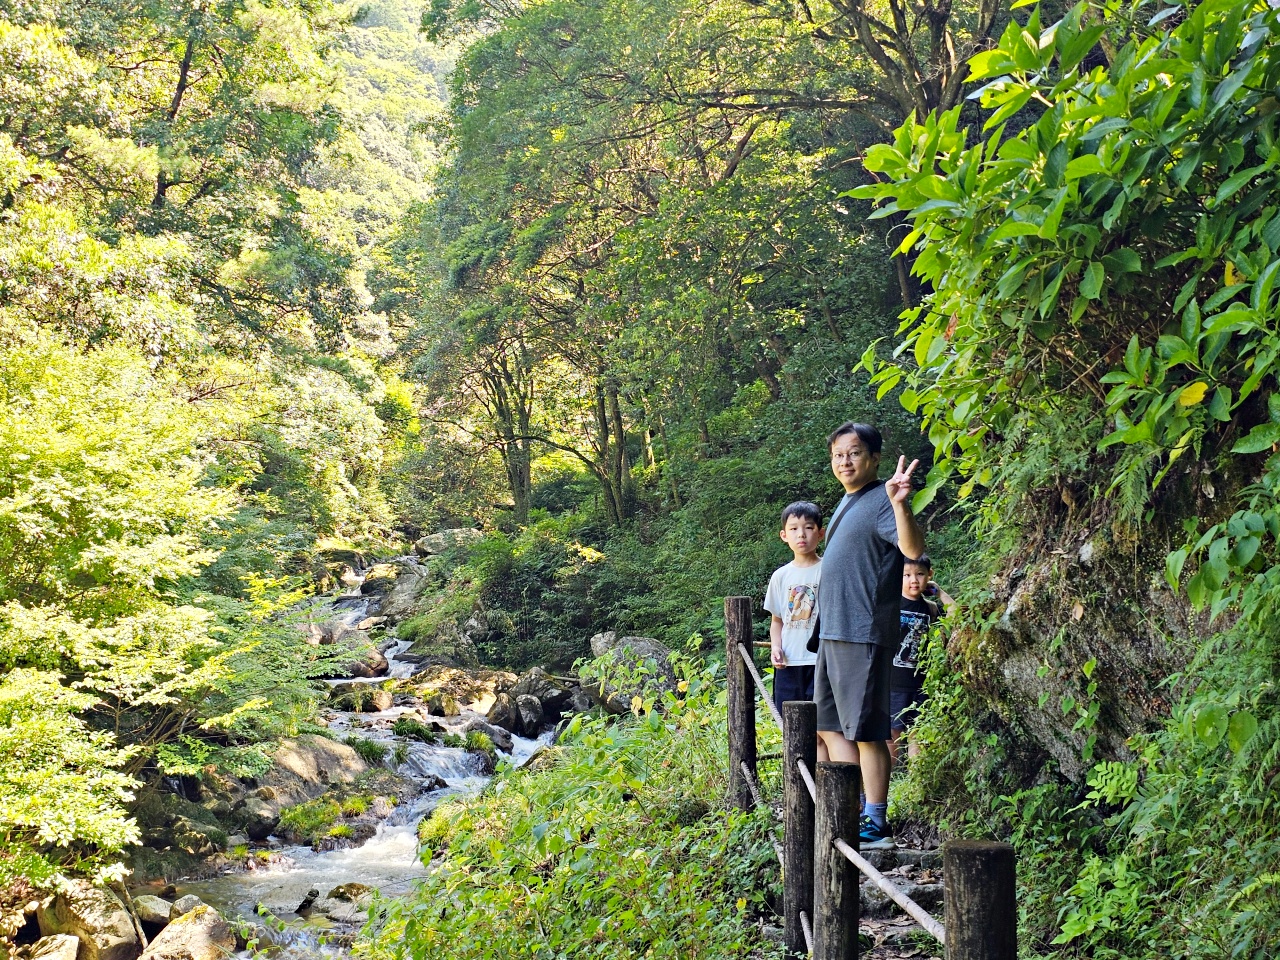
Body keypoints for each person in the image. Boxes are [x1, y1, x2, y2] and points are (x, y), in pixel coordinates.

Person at [813, 422, 924, 850]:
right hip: (832, 631)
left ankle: (876, 820)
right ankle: (852, 806)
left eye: (855, 453)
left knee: (867, 730)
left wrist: (901, 505)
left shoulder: (882, 499)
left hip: (862, 631)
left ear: (874, 458)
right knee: (832, 728)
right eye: (839, 454)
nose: (845, 461)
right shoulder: (846, 501)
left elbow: (912, 550)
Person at [890, 555, 955, 766]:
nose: (914, 580)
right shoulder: (891, 604)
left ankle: (915, 785)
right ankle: (882, 788)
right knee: (892, 736)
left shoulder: (931, 608)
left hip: (921, 683)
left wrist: (939, 592)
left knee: (917, 733)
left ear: (929, 575)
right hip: (892, 683)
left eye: (920, 574)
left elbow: (957, 615)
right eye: (906, 575)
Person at [764, 501, 823, 714]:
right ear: (784, 535)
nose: (801, 534)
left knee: (822, 729)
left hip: (821, 662)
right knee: (790, 725)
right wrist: (776, 647)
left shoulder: (828, 570)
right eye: (794, 529)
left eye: (808, 528)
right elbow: (777, 621)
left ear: (820, 533)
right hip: (789, 663)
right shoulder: (780, 576)